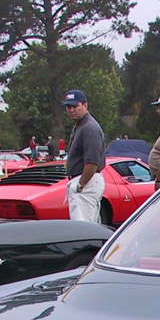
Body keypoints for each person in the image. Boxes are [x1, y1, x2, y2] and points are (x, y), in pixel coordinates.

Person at [62, 89, 106, 223]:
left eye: (75, 106)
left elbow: (92, 163)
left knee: (83, 228)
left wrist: (81, 184)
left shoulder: (89, 128)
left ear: (85, 106)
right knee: (87, 226)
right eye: (68, 107)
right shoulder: (81, 126)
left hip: (87, 181)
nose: (71, 110)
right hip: (85, 180)